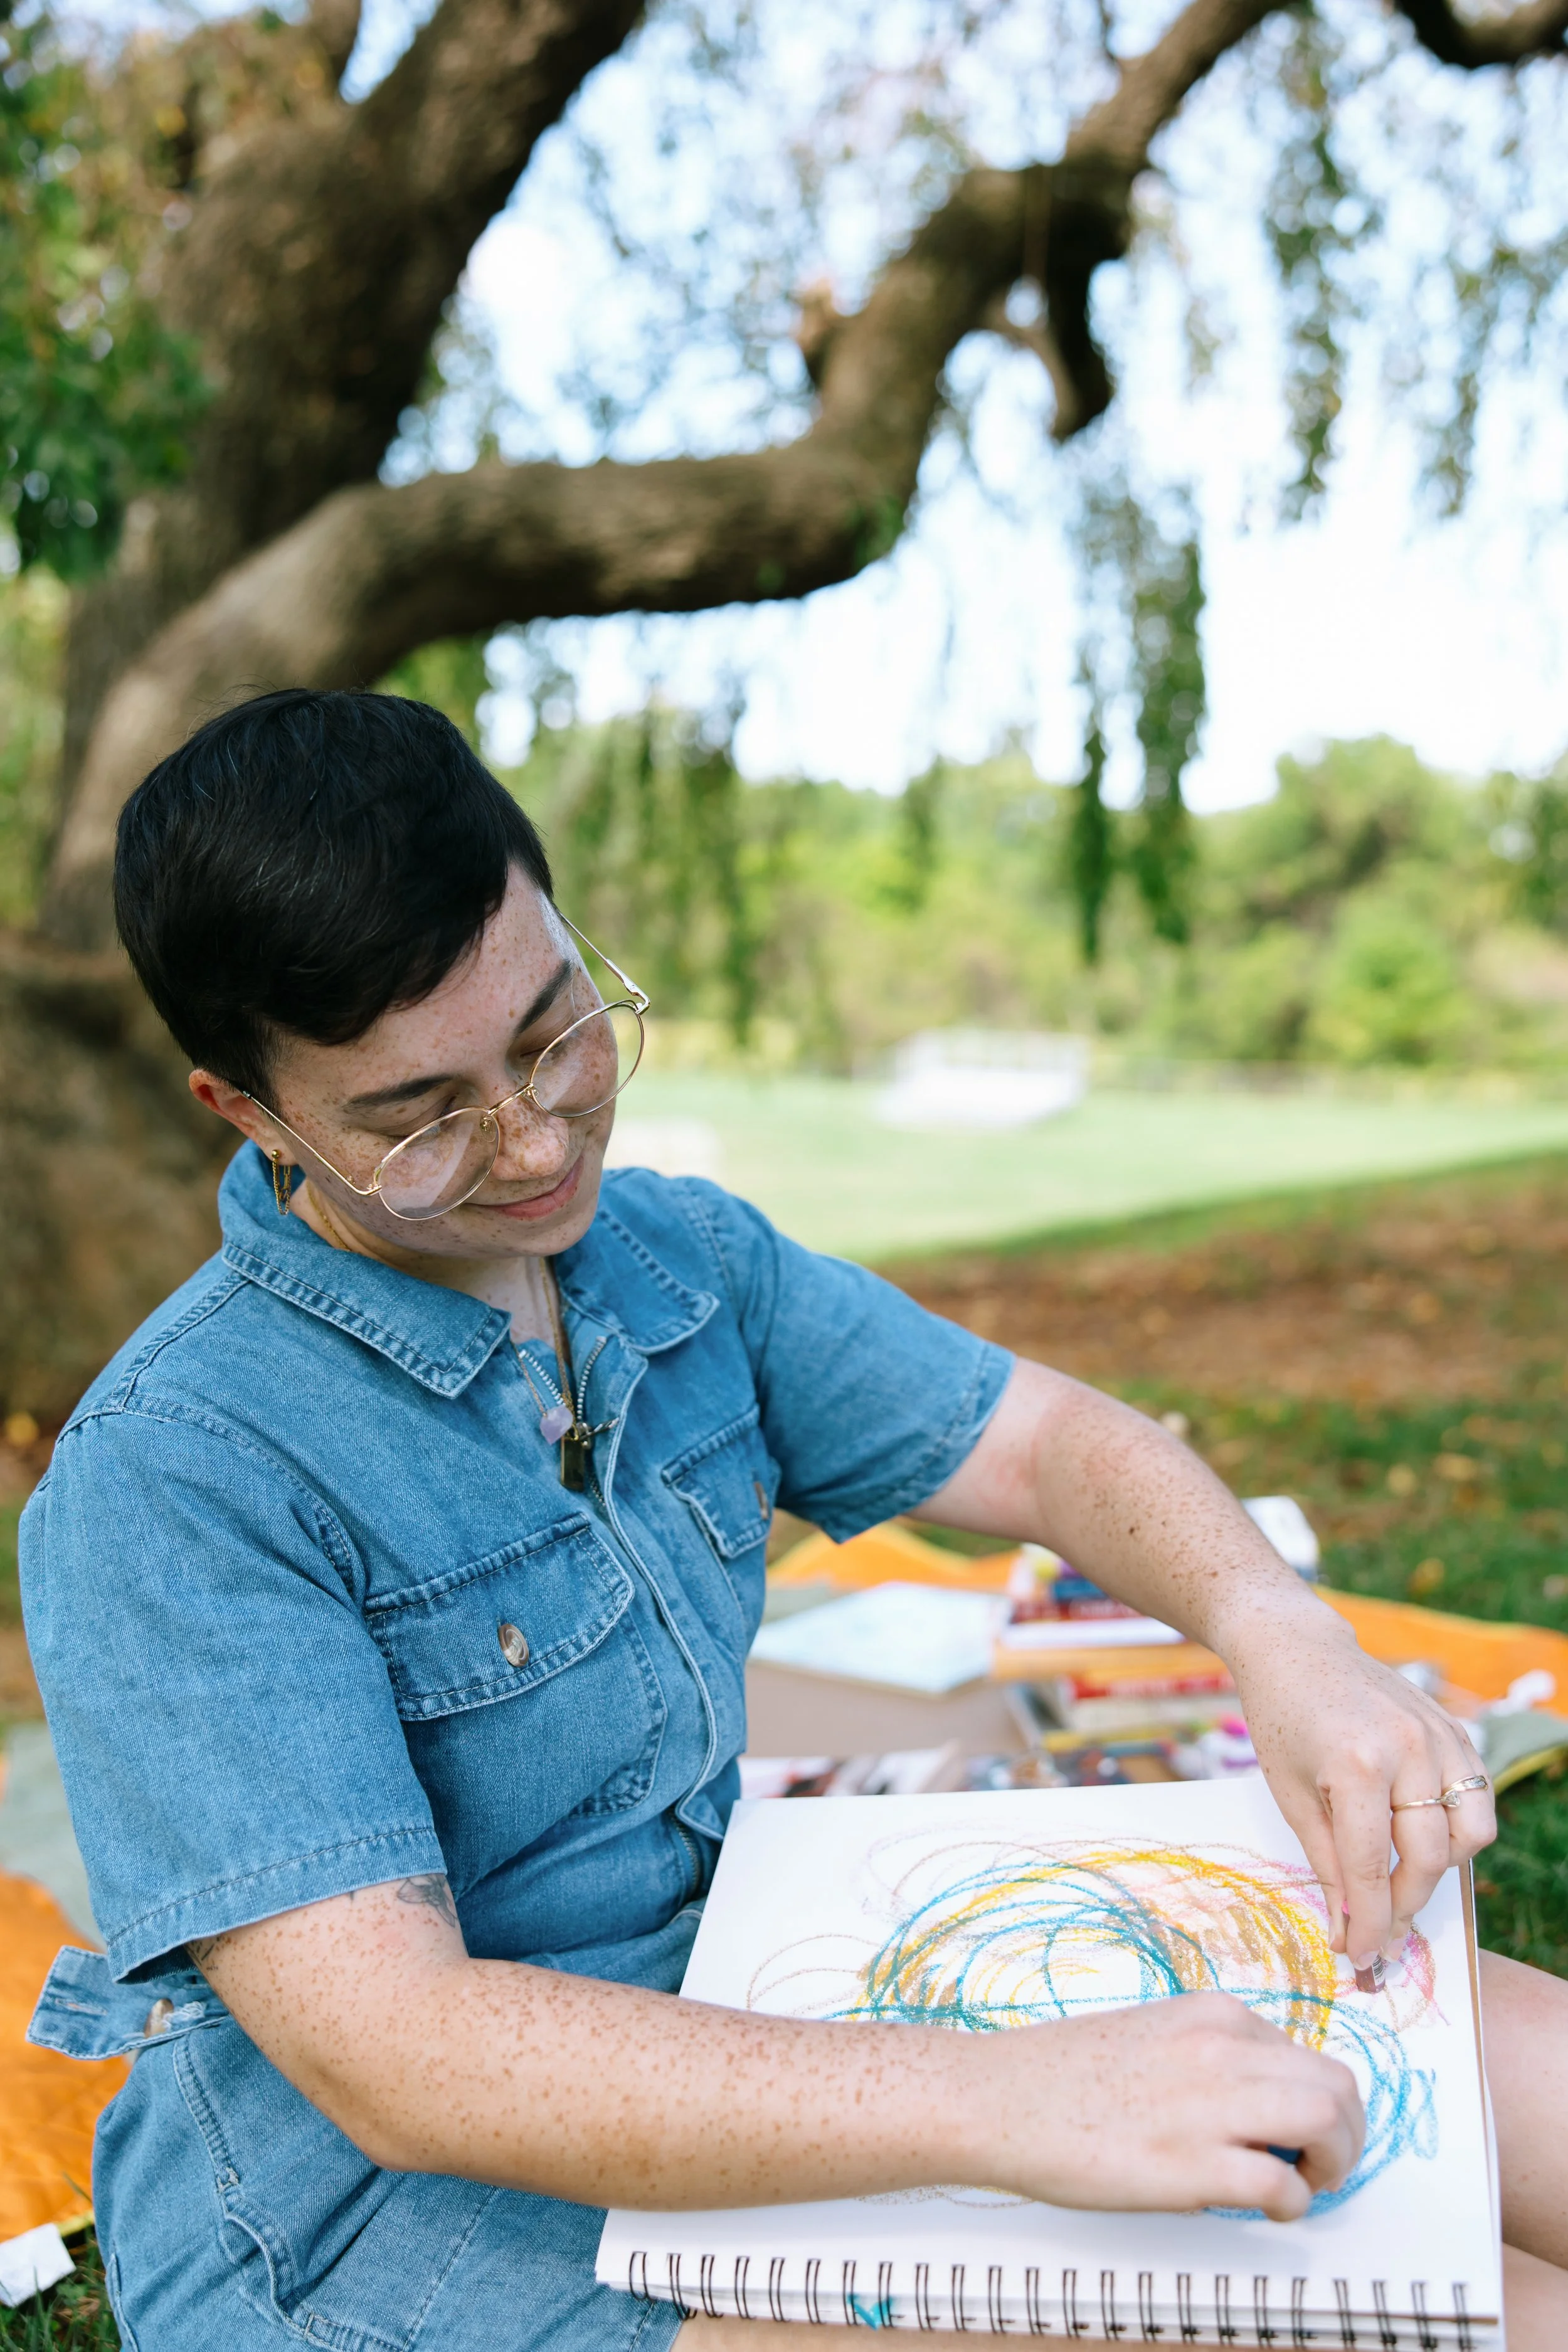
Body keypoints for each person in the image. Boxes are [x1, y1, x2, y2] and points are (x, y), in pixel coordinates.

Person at [19, 688, 1568, 2352]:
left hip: (756, 1987)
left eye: (554, 1030)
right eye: (419, 1119)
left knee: (1495, 2074)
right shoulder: (174, 1478)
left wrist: (1280, 1629)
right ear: (244, 1112)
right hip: (408, 2232)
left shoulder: (678, 1258)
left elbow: (1046, 1446)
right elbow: (397, 2056)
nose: (538, 1141)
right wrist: (1015, 2094)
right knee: (1467, 2322)